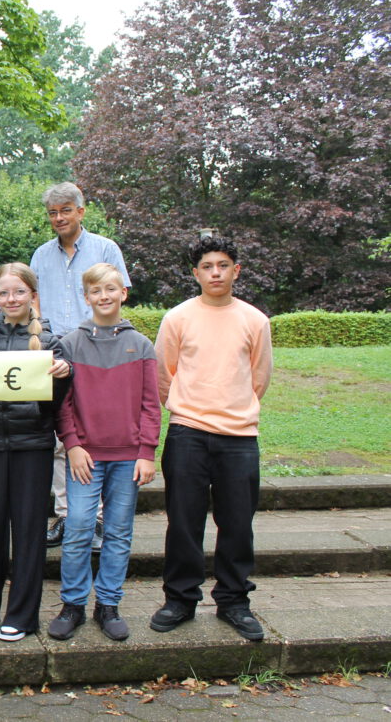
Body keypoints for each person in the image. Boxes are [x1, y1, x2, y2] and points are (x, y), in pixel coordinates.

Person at [150, 236, 272, 642]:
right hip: (188, 433)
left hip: (238, 436)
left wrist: (234, 409)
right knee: (183, 522)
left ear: (236, 271)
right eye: (207, 266)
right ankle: (180, 599)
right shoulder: (179, 318)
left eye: (223, 265)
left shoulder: (254, 320)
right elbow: (163, 375)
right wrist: (188, 410)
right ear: (196, 273)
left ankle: (234, 601)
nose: (215, 272)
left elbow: (259, 377)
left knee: (237, 523)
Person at [0, 263, 71, 641]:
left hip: (32, 446)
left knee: (28, 530)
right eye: (3, 293)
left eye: (18, 292)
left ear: (32, 296)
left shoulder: (51, 342)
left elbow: (58, 405)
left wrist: (62, 378)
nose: (11, 299)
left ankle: (22, 614)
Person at [48, 263, 159, 642]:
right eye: (96, 291)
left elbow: (150, 405)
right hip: (86, 457)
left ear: (123, 293)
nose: (104, 296)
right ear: (87, 297)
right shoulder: (71, 344)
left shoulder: (141, 345)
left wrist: (146, 451)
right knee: (78, 526)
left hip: (128, 458)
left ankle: (108, 604)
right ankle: (73, 604)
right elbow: (63, 404)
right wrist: (74, 445)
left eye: (111, 289)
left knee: (118, 531)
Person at [29, 182, 130, 550]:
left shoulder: (105, 249)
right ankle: (66, 514)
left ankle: (98, 518)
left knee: (98, 428)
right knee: (60, 432)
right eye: (53, 213)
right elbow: (35, 303)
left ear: (81, 211)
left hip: (101, 349)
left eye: (65, 211)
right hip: (57, 352)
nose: (59, 218)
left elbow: (119, 294)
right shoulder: (40, 256)